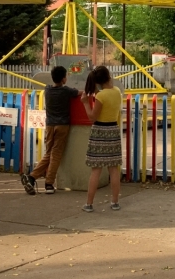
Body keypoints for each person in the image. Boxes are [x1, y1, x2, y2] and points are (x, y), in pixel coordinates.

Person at [21, 65, 78, 195]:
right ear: (64, 78)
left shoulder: (47, 90)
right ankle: (49, 183)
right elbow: (79, 93)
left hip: (50, 125)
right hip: (62, 125)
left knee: (48, 153)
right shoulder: (67, 91)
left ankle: (31, 177)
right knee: (56, 154)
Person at [81, 65, 122, 212]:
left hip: (99, 131)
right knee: (114, 169)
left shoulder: (100, 96)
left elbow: (92, 117)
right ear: (109, 76)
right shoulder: (117, 91)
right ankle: (115, 202)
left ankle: (89, 204)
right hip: (113, 130)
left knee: (96, 169)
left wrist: (86, 103)